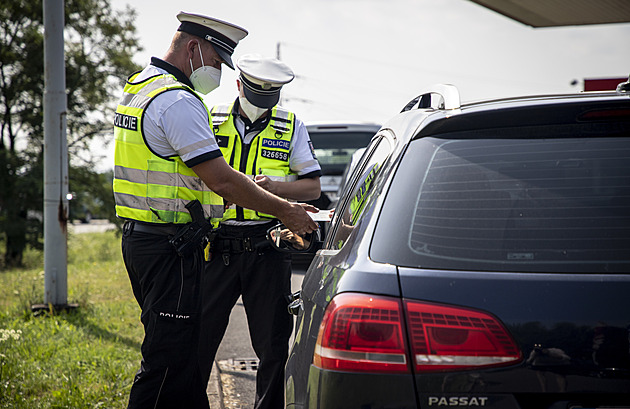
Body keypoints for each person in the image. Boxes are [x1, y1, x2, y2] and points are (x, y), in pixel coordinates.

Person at [112, 13, 318, 409]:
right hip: (171, 247)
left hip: (148, 239)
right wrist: (286, 210)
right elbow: (220, 179)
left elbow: (179, 180)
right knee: (169, 364)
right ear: (193, 48)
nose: (218, 72)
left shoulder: (140, 87)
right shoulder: (178, 100)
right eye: (217, 60)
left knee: (186, 360)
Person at [198, 54, 321, 409]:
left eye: (269, 98)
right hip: (215, 245)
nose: (261, 106)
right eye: (256, 96)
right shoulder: (210, 118)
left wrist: (275, 188)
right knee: (198, 341)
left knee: (272, 345)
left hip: (267, 245)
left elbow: (311, 188)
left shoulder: (290, 124)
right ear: (239, 85)